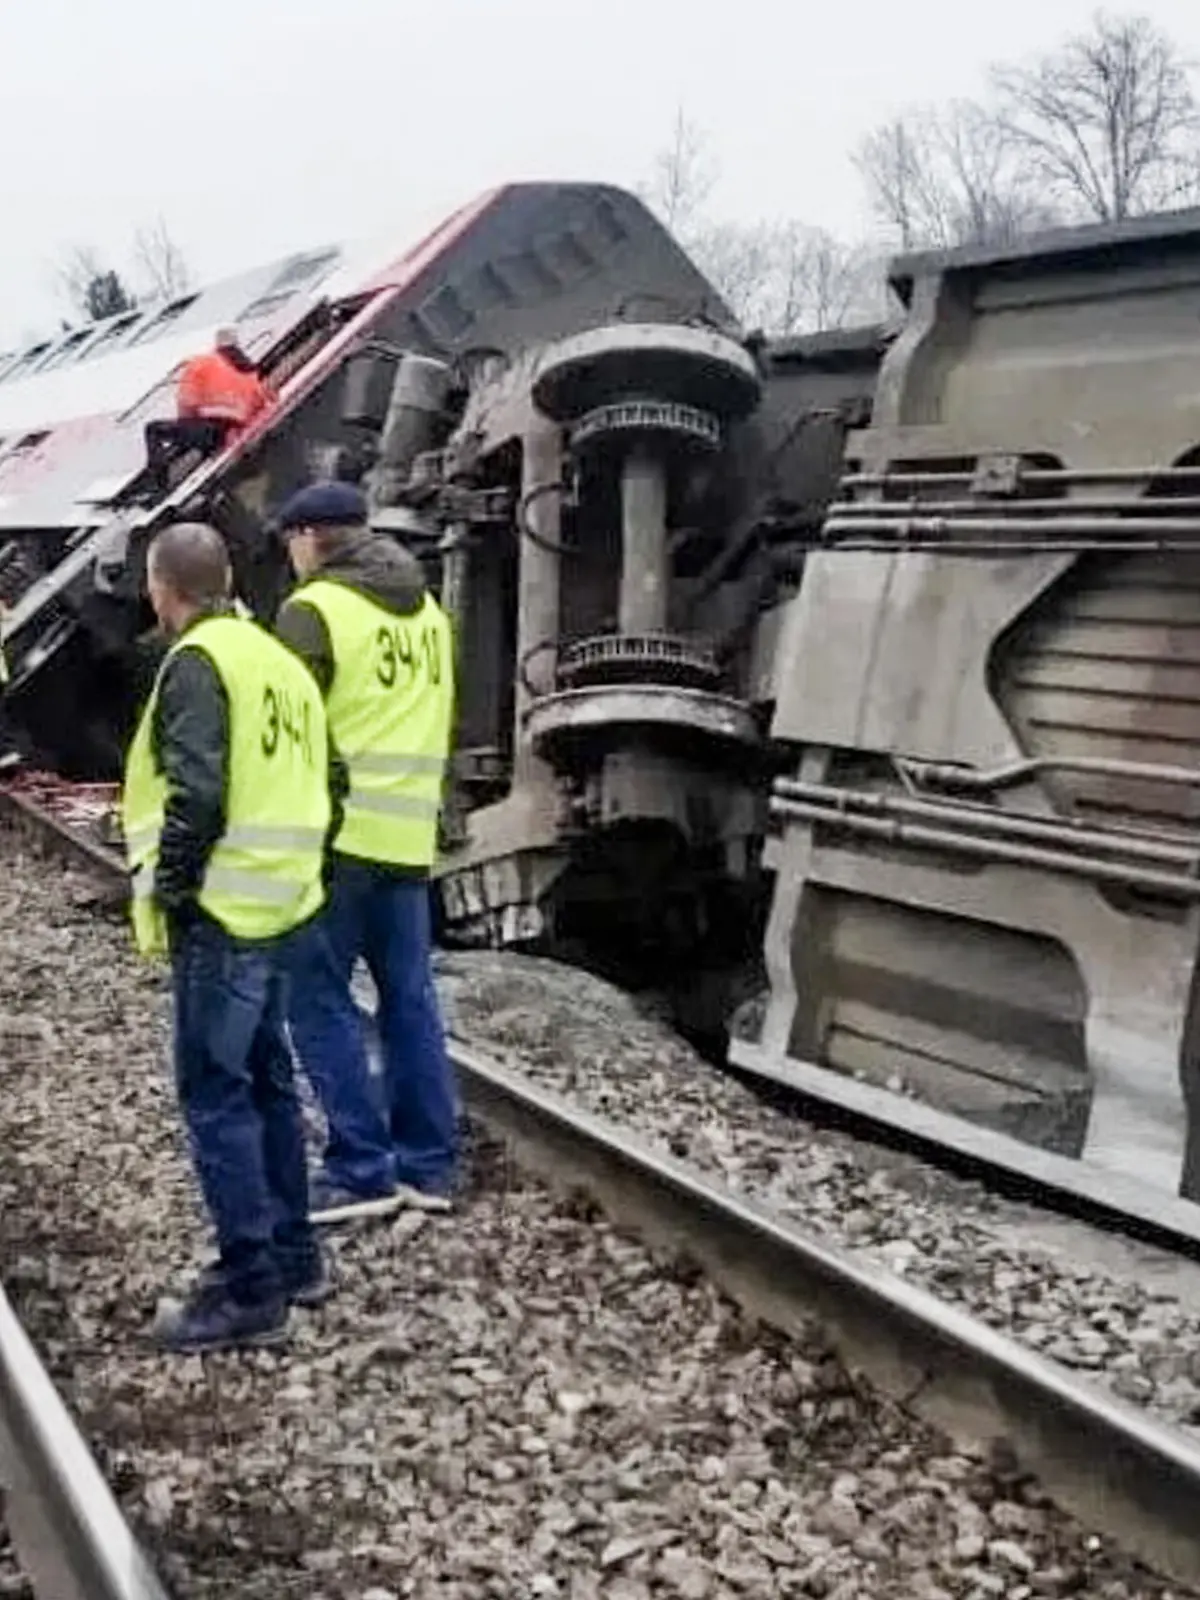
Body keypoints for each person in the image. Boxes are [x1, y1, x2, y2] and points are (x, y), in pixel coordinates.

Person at [121, 520, 342, 1353]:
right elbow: (335, 778)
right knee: (269, 1083)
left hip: (221, 912)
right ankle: (295, 1256)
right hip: (282, 901)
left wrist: (174, 888)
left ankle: (250, 1288)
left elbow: (199, 791)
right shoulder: (276, 658)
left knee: (215, 1096)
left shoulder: (199, 663)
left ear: (161, 586)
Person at [273, 480, 459, 1224]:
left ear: (312, 536)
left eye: (289, 542)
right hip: (407, 841)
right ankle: (430, 1166)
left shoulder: (313, 610)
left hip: (334, 842)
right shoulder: (431, 615)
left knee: (317, 1002)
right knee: (410, 1002)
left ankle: (360, 1168)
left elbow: (289, 732)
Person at [142, 327, 273, 498]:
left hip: (205, 429)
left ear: (217, 344)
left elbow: (187, 402)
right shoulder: (248, 372)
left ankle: (158, 485)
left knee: (152, 429)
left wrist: (184, 427)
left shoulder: (202, 362)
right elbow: (259, 404)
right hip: (228, 433)